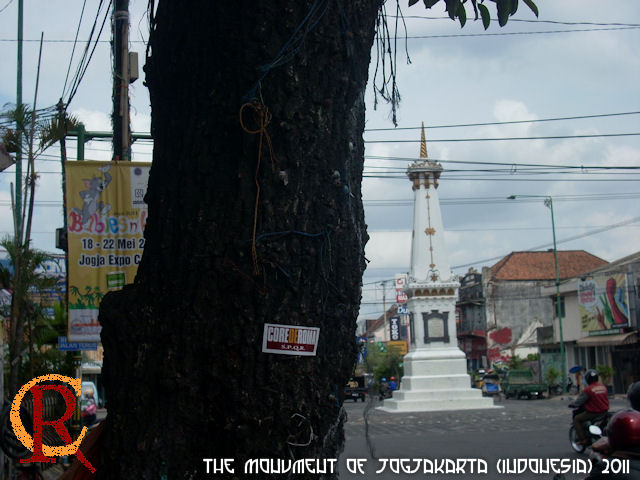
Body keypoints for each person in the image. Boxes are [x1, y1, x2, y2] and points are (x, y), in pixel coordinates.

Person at [570, 369, 610, 445]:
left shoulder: (588, 389)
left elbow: (579, 402)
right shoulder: (603, 387)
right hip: (605, 411)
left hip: (594, 412)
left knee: (577, 419)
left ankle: (583, 439)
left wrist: (573, 404)